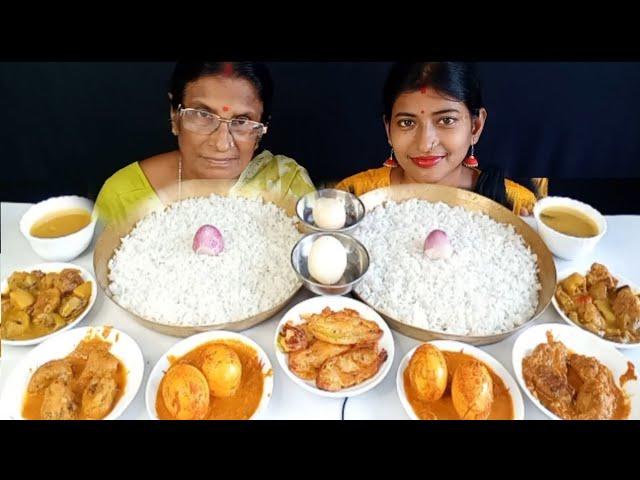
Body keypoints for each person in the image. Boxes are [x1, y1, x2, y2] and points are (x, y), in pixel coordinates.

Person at [96, 61, 315, 224]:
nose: (221, 143)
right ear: (175, 116)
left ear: (261, 130)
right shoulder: (123, 196)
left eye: (241, 121)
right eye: (203, 115)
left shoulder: (286, 186)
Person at [336, 62, 546, 214]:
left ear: (475, 127)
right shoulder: (355, 197)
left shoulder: (518, 205)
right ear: (388, 129)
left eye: (446, 120)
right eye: (407, 123)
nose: (425, 144)